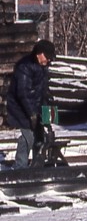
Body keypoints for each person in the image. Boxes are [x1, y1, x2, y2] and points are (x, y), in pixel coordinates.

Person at [6, 39, 55, 168]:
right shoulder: (25, 66)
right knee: (29, 136)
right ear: (39, 53)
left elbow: (43, 90)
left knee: (42, 136)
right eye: (47, 57)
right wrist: (32, 114)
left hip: (35, 105)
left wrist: (48, 115)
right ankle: (19, 167)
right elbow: (23, 93)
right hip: (20, 107)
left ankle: (37, 165)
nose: (48, 61)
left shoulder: (43, 66)